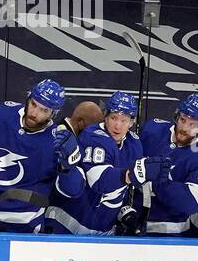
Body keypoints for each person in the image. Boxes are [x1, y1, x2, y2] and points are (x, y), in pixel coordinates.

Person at [0, 78, 83, 232]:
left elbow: (73, 191)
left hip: (27, 228)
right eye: (33, 104)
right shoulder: (5, 115)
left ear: (53, 114)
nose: (34, 113)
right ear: (28, 99)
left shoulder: (58, 142)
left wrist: (69, 166)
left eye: (44, 110)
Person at [45, 91, 140, 235]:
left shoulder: (134, 145)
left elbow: (121, 190)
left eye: (124, 120)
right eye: (114, 118)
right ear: (106, 117)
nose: (117, 126)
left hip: (103, 233)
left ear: (131, 123)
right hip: (67, 224)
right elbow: (99, 181)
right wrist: (132, 174)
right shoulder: (93, 135)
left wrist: (124, 210)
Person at [135, 93, 198, 236]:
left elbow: (190, 202)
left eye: (192, 124)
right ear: (176, 116)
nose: (185, 128)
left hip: (170, 234)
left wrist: (158, 182)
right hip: (131, 222)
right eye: (183, 120)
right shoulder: (152, 129)